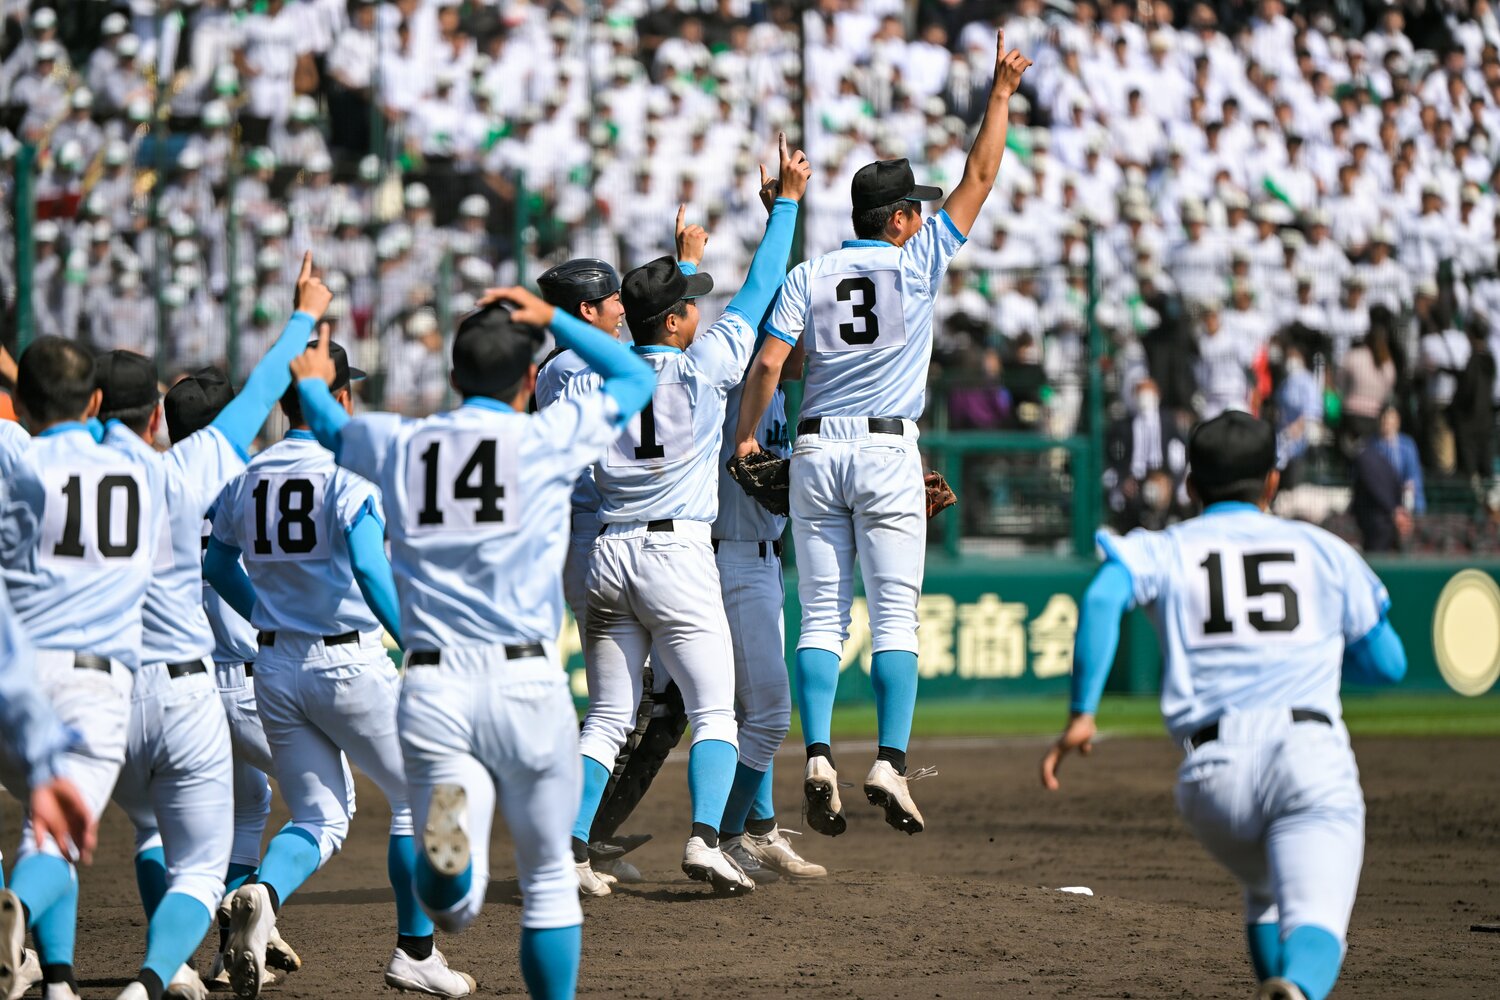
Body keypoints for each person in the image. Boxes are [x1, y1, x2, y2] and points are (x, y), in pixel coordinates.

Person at [286, 282, 655, 1000]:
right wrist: (551, 317)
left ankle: (452, 882)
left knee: (451, 895)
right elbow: (635, 376)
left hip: (434, 685)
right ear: (528, 381)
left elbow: (329, 430)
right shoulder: (549, 437)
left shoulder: (402, 442)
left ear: (453, 378)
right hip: (526, 683)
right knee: (549, 876)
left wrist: (312, 379)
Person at [733, 31, 1032, 837]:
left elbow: (766, 364)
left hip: (817, 449)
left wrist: (746, 441)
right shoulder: (918, 259)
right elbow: (980, 175)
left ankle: (821, 752)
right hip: (889, 448)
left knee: (822, 615)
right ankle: (891, 764)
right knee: (894, 617)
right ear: (900, 218)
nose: (924, 215)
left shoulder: (810, 273)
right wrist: (999, 94)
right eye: (917, 208)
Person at [1041, 411, 1408, 1000]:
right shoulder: (1324, 549)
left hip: (1211, 777)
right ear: (1272, 481)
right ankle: (1299, 989)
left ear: (1191, 487)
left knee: (1263, 885)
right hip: (1308, 755)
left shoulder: (1167, 547)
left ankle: (1276, 985)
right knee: (1315, 919)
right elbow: (1389, 665)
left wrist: (1083, 709)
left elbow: (1105, 595)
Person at [566, 134, 807, 896]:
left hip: (606, 555)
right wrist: (788, 207)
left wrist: (673, 262)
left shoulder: (590, 379)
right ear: (671, 322)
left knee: (607, 717)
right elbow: (767, 280)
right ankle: (706, 838)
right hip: (676, 554)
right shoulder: (704, 369)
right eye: (689, 303)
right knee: (715, 711)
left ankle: (568, 849)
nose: (700, 309)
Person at [209, 332, 473, 998]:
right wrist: (418, 643)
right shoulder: (345, 473)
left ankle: (262, 899)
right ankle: (416, 951)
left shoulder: (249, 474)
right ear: (339, 398)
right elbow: (368, 566)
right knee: (427, 792)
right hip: (346, 661)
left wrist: (265, 611)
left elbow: (215, 564)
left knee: (319, 818)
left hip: (273, 667)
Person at [0, 338, 155, 1000]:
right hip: (90, 688)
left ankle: (58, 982)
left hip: (13, 680)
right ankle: (15, 909)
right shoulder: (144, 466)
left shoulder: (17, 461)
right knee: (56, 841)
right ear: (95, 403)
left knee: (45, 833)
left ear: (21, 405)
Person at [161, 367, 305, 991]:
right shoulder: (246, 484)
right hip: (247, 677)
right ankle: (260, 913)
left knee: (247, 805)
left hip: (182, 683)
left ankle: (216, 951)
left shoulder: (155, 481)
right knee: (331, 802)